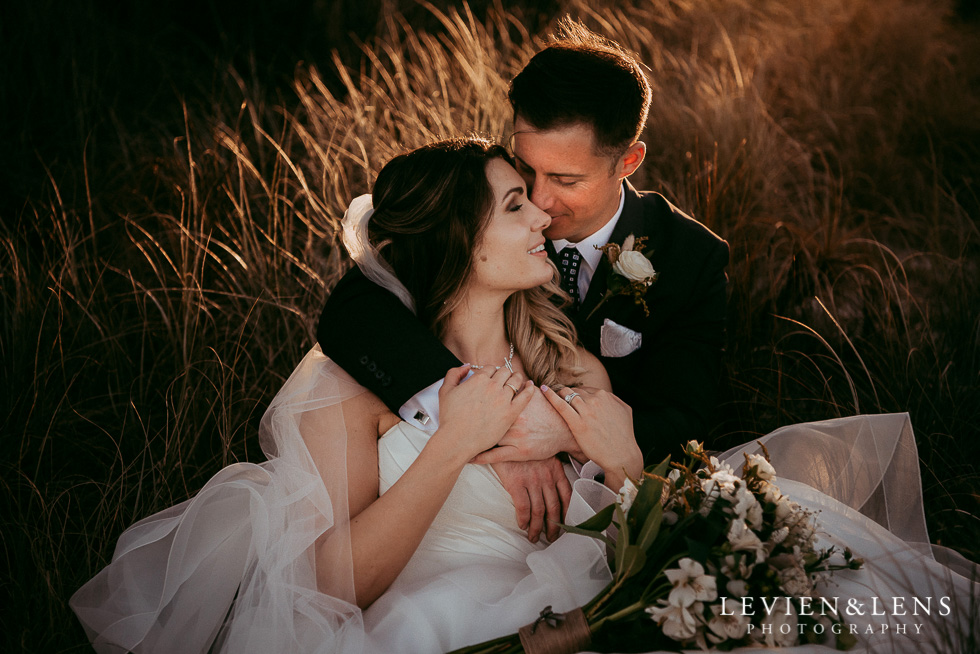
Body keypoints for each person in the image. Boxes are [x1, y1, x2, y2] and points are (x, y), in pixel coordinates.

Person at [70, 138, 976, 654]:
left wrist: (623, 463)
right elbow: (330, 585)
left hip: (589, 581)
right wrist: (457, 443)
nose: (545, 215)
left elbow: (627, 506)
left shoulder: (564, 353)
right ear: (459, 242)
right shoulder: (353, 382)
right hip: (451, 622)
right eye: (514, 206)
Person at [316, 21, 730, 545]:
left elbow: (684, 416)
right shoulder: (484, 206)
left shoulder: (690, 258)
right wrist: (496, 425)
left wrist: (563, 432)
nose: (539, 201)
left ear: (628, 161)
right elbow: (352, 311)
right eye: (526, 169)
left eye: (566, 180)